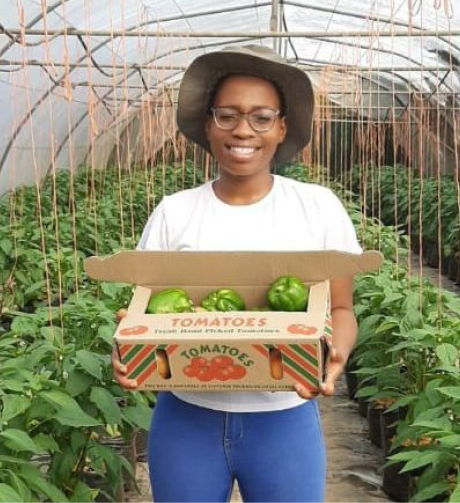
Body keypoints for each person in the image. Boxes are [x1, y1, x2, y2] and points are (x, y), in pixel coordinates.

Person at [112, 45, 362, 503]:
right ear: (208, 125)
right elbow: (142, 314)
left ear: (282, 127)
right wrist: (127, 350)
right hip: (187, 417)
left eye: (261, 116)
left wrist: (336, 356)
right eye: (226, 115)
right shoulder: (174, 213)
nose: (243, 129)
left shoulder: (317, 208)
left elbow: (341, 308)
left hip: (284, 419)